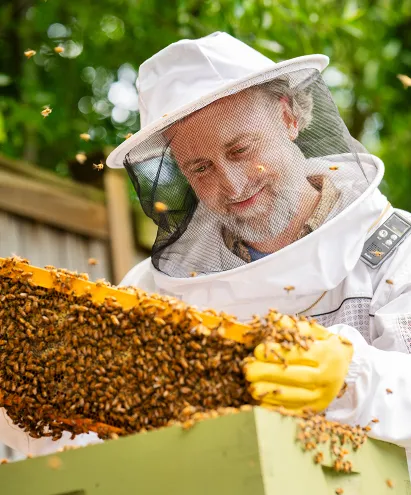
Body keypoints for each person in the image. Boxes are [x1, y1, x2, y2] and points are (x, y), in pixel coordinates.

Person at [0, 32, 410, 470]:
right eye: (200, 167)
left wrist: (355, 380)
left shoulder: (396, 251)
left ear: (288, 117)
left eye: (241, 149)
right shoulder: (152, 291)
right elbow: (89, 442)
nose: (232, 184)